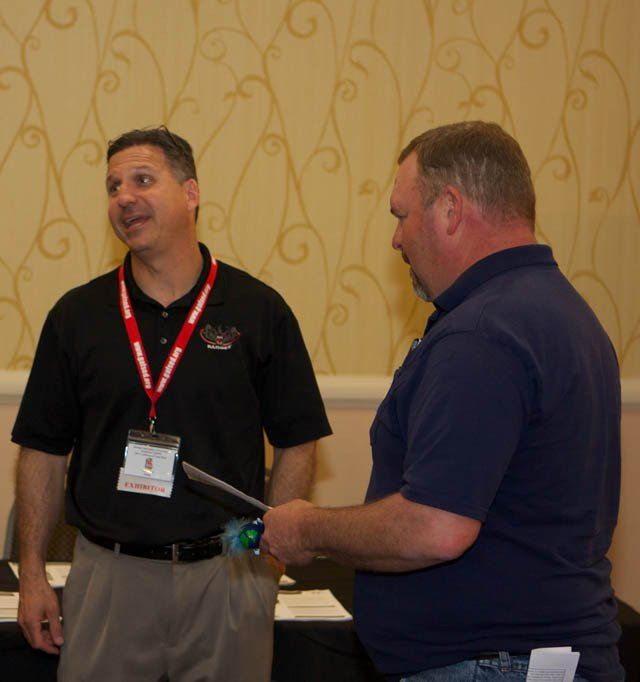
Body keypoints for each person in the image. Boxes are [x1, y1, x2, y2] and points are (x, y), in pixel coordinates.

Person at [261, 121, 623, 682]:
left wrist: (309, 528)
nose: (396, 240)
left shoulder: (482, 332)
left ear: (450, 209)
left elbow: (436, 527)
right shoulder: (565, 313)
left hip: (490, 664)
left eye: (401, 215)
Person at [12, 126, 332, 681]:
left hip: (228, 572)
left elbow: (297, 439)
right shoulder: (77, 316)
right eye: (113, 186)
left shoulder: (259, 310)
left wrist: (267, 559)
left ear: (191, 193)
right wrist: (33, 575)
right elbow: (41, 451)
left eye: (142, 179)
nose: (124, 198)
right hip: (108, 576)